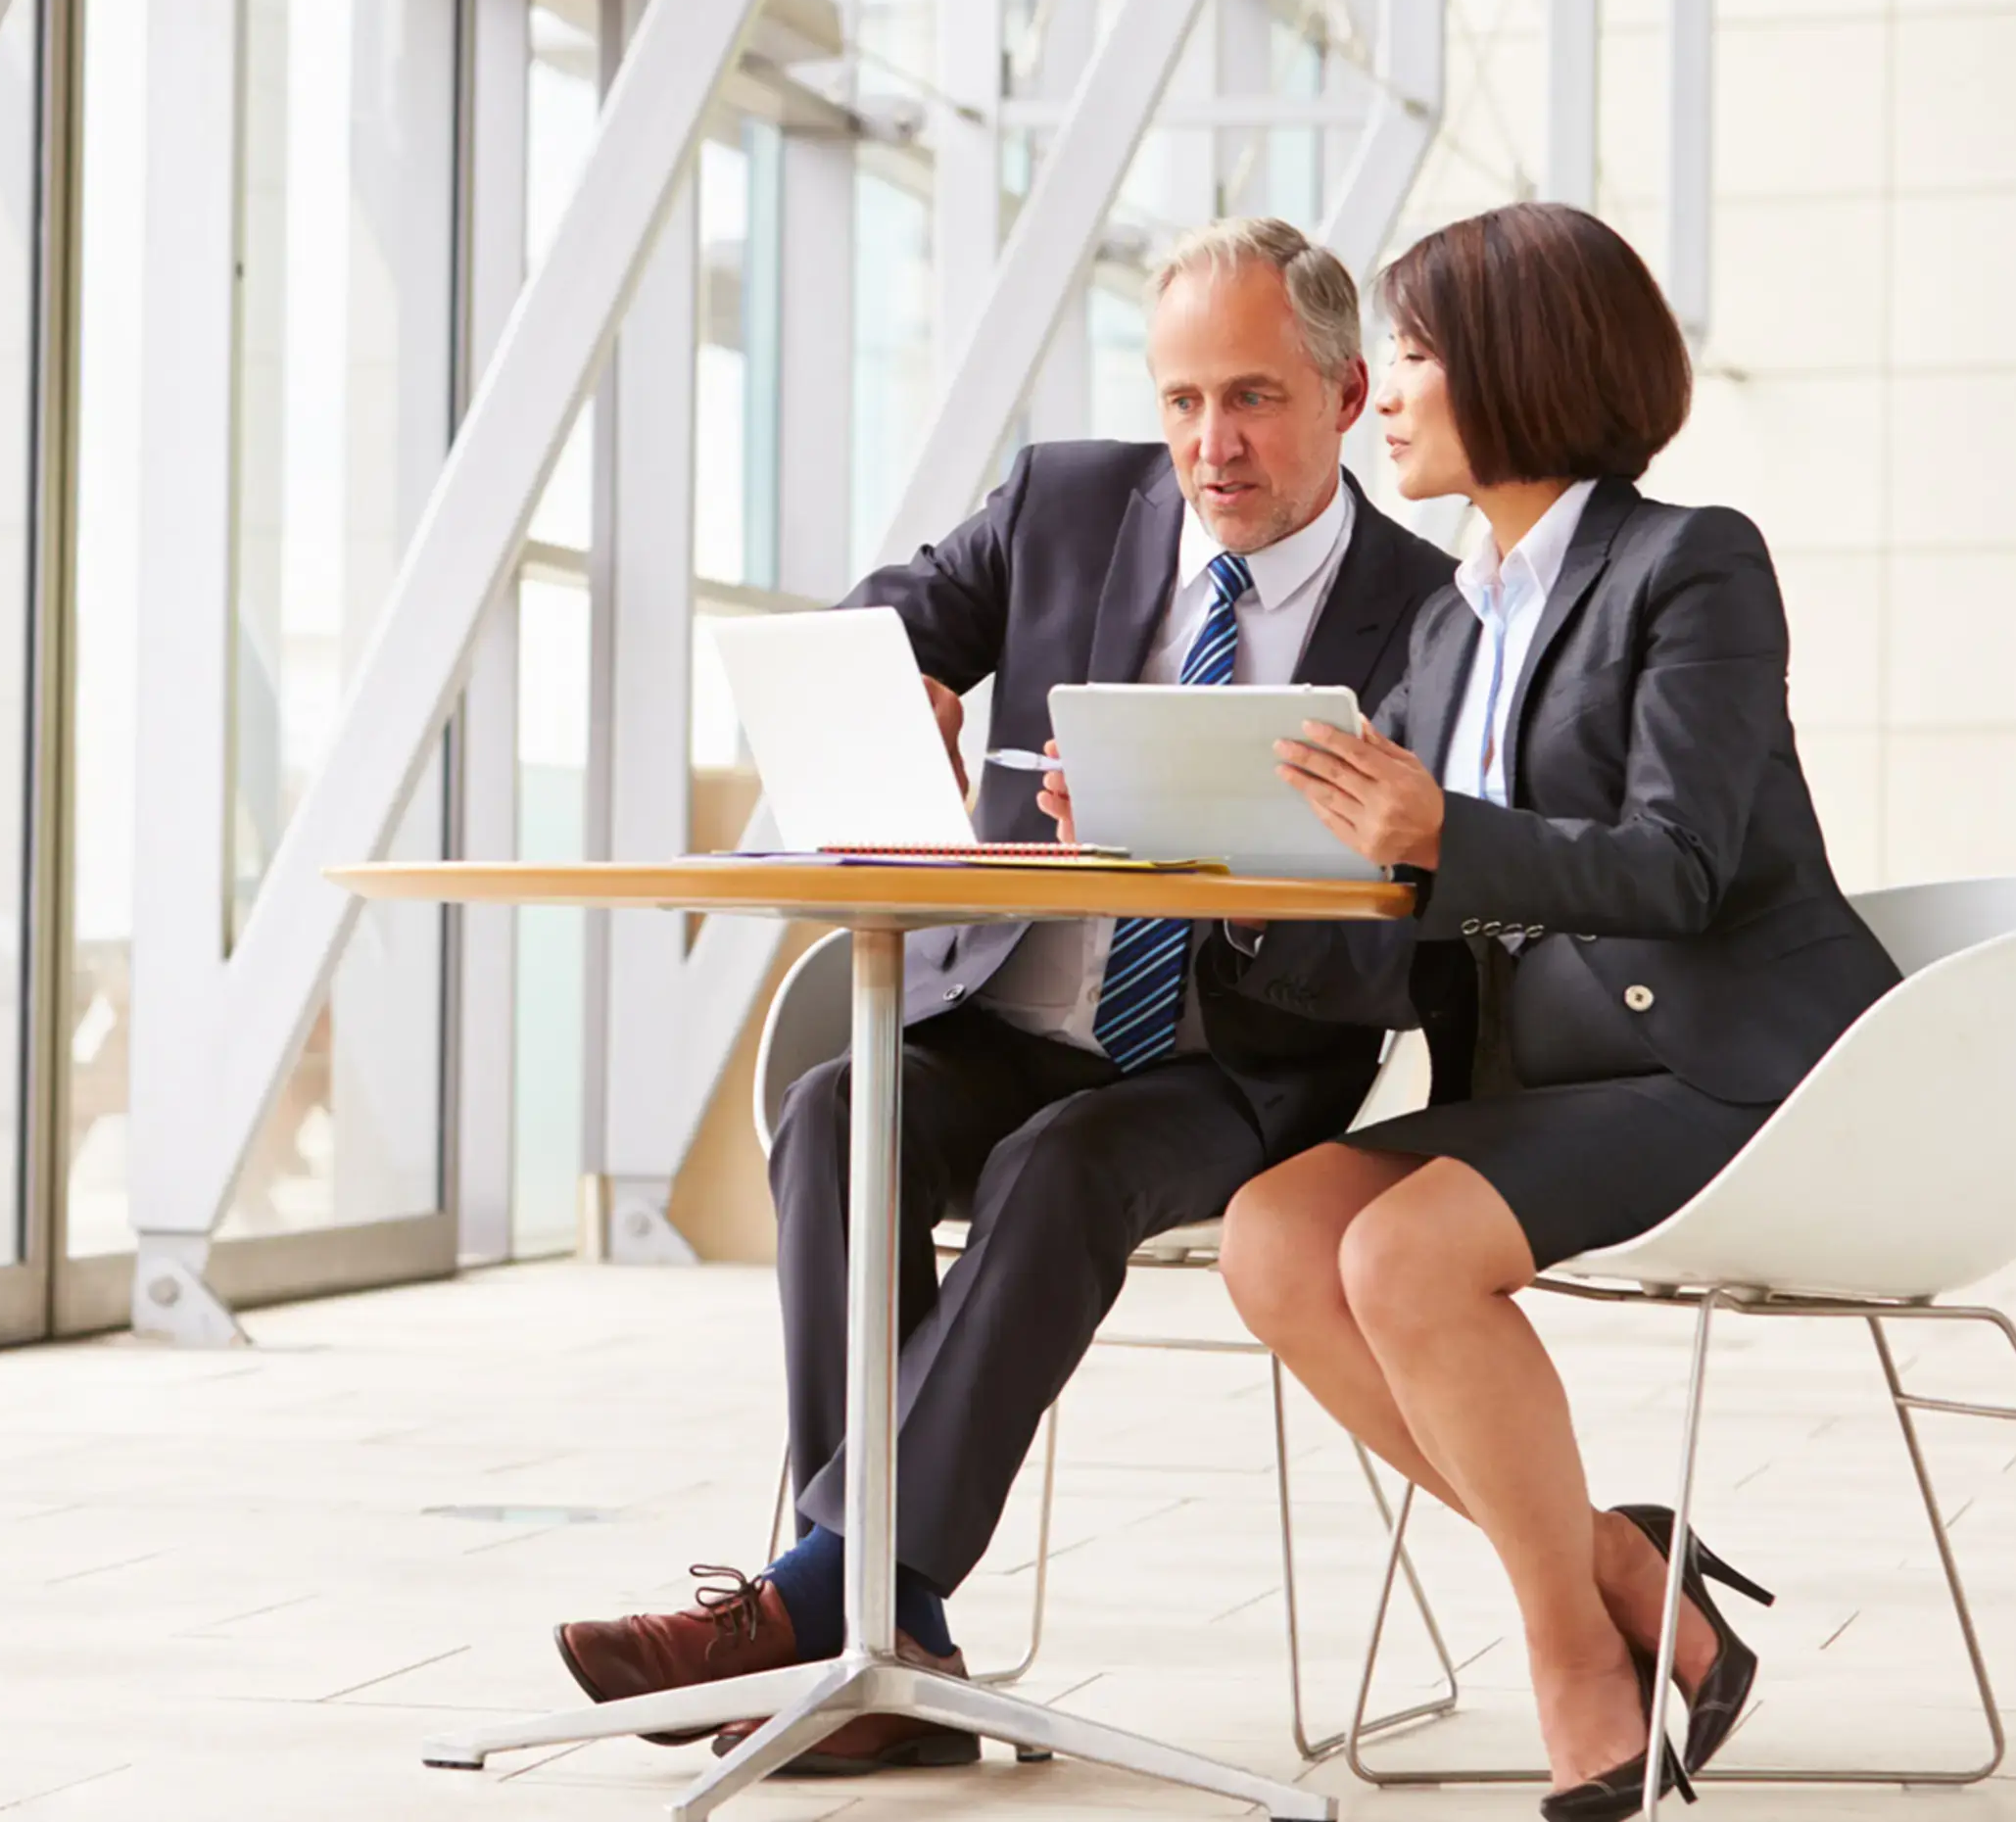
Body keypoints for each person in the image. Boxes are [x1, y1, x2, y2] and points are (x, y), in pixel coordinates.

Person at [550, 216, 1455, 1775]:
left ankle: (826, 1607)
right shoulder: (1066, 501)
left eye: (1250, 398)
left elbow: (1411, 927)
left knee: (1063, 1164)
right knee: (845, 1111)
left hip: (1235, 1058)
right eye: (1181, 400)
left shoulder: (1428, 609)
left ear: (1342, 388)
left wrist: (1199, 856)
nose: (1209, 443)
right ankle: (883, 1642)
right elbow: (868, 621)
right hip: (1008, 1012)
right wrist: (895, 680)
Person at [1211, 202, 1899, 1820]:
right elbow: (1413, 899)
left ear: (1519, 369)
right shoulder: (1454, 619)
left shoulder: (1692, 563)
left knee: (1400, 1252)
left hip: (1734, 1062)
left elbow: (1679, 865)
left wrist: (1434, 832)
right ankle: (1620, 1565)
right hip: (1557, 1073)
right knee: (1272, 1235)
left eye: (1420, 352)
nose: (1383, 387)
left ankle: (1569, 1655)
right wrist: (1242, 877)